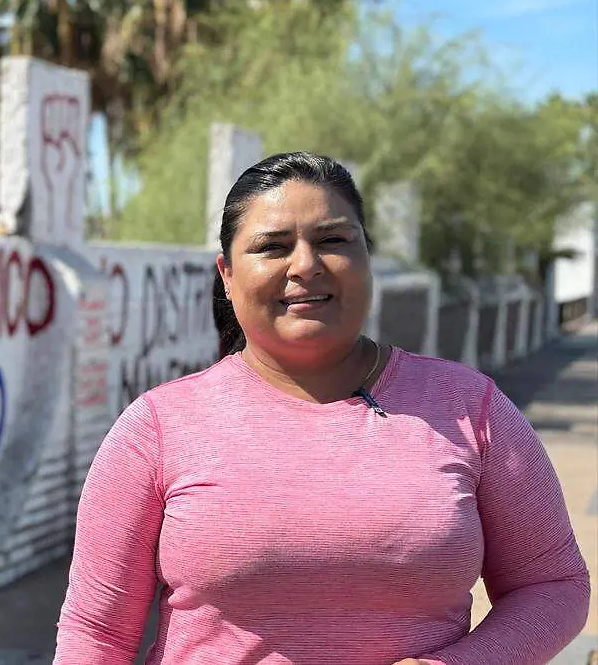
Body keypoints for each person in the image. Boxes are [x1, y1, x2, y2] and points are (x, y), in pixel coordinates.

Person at [54, 152, 590, 664]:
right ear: (227, 275)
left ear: (367, 259)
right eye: (272, 246)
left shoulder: (469, 407)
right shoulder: (158, 426)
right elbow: (96, 632)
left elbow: (552, 585)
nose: (306, 265)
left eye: (333, 240)